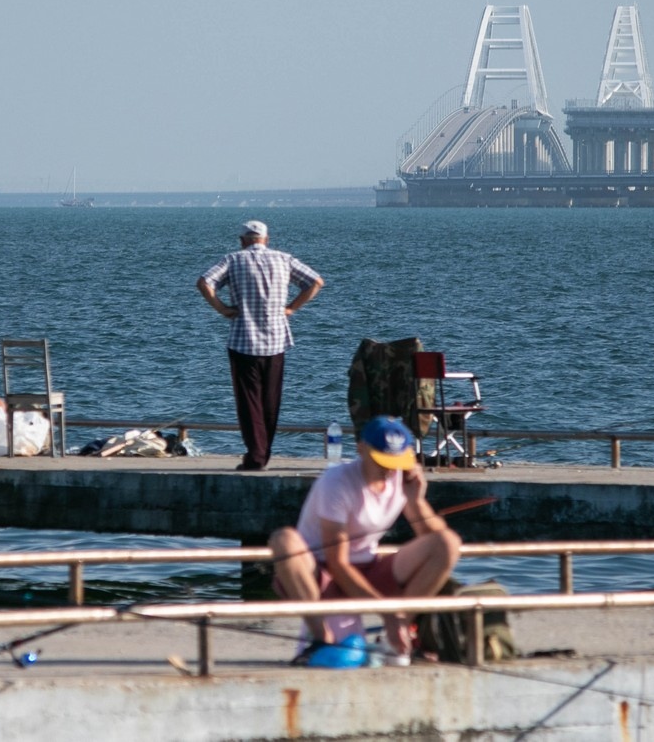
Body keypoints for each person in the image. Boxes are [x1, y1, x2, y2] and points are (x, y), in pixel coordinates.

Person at [268, 415, 461, 664]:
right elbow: (337, 564)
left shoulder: (401, 479)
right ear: (361, 449)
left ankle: (399, 632)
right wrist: (386, 614)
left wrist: (416, 501)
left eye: (396, 460)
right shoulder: (337, 482)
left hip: (369, 566)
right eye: (382, 460)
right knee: (283, 539)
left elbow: (434, 539)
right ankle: (321, 639)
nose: (390, 468)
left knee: (448, 543)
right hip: (322, 572)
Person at [196, 219, 324, 470]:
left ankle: (255, 455)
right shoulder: (284, 259)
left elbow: (204, 283)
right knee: (270, 400)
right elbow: (316, 282)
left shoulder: (233, 260)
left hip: (243, 338)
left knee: (248, 401)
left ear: (243, 241)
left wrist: (222, 308)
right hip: (276, 340)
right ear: (266, 239)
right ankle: (263, 453)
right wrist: (291, 308)